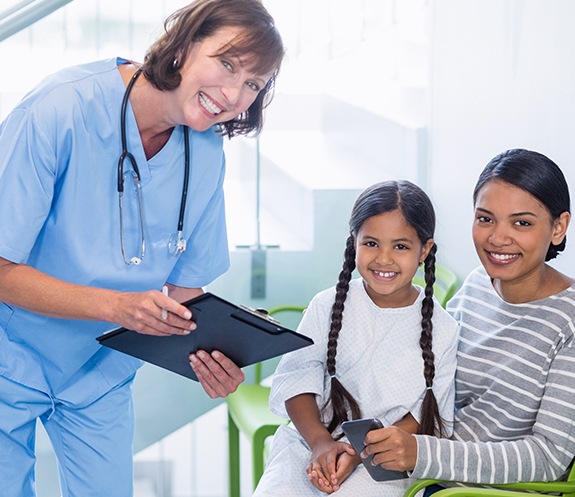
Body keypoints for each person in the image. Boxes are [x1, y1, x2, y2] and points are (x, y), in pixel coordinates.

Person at [0, 1, 284, 496]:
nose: (235, 94)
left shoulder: (206, 152)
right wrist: (118, 307)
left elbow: (186, 292)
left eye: (254, 84)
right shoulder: (61, 108)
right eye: (228, 63)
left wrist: (211, 357)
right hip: (10, 356)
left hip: (100, 371)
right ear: (184, 44)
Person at [363, 148, 575, 486]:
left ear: (558, 227)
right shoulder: (480, 284)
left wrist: (422, 454)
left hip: (474, 490)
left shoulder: (569, 322)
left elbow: (549, 457)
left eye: (522, 223)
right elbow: (434, 379)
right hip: (423, 470)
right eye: (485, 218)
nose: (497, 238)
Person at [253, 180, 460, 496]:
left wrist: (357, 452)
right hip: (310, 443)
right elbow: (296, 380)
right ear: (354, 243)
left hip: (385, 463)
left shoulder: (443, 330)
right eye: (372, 243)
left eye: (401, 246)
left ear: (425, 250)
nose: (384, 259)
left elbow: (422, 415)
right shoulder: (326, 306)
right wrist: (321, 443)